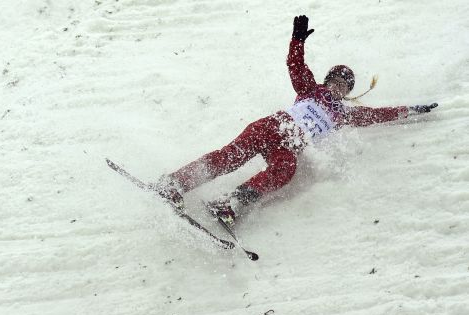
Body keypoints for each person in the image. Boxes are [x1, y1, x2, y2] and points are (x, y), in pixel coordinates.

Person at [156, 15, 438, 226]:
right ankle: (174, 184)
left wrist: (412, 109)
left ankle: (229, 204)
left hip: (288, 147)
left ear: (348, 93)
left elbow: (379, 115)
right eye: (336, 81)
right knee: (231, 157)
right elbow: (296, 66)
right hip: (270, 128)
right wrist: (297, 40)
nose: (338, 87)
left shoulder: (344, 114)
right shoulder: (310, 89)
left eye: (345, 86)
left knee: (286, 170)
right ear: (327, 81)